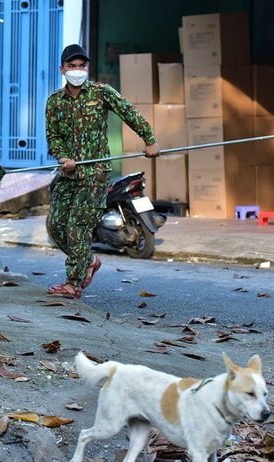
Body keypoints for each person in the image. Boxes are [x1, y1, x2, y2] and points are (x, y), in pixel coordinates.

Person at [44, 44, 160, 299]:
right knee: (55, 226)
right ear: (62, 69)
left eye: (81, 66)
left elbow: (129, 112)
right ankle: (88, 260)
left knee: (77, 227)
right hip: (68, 174)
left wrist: (149, 140)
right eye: (71, 66)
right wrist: (63, 156)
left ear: (87, 67)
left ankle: (73, 283)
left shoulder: (101, 93)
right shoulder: (54, 102)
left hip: (95, 173)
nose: (77, 70)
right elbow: (53, 136)